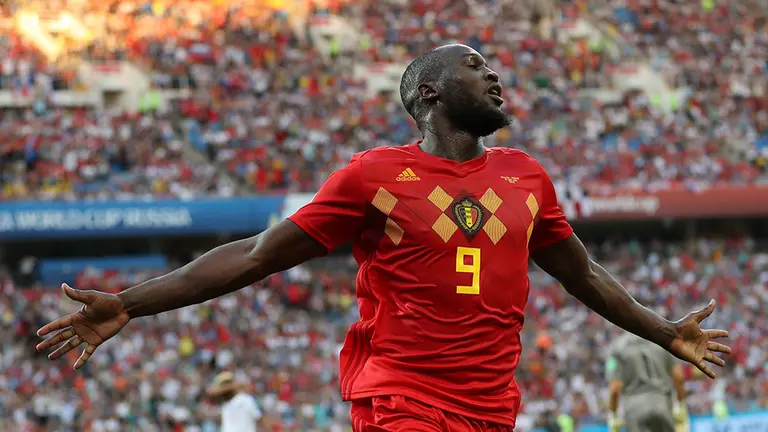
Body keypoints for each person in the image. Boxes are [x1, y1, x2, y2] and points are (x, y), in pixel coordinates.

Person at [35, 44, 731, 432]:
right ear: (428, 93)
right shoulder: (375, 175)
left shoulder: (527, 178)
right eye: (473, 65)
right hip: (404, 400)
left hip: (492, 408)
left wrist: (665, 331)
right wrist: (130, 302)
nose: (493, 74)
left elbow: (584, 275)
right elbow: (255, 255)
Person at [606, 333, 690, 432]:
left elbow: (615, 387)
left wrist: (613, 415)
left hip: (634, 408)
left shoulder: (617, 348)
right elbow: (678, 377)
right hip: (662, 403)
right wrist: (681, 404)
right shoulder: (662, 340)